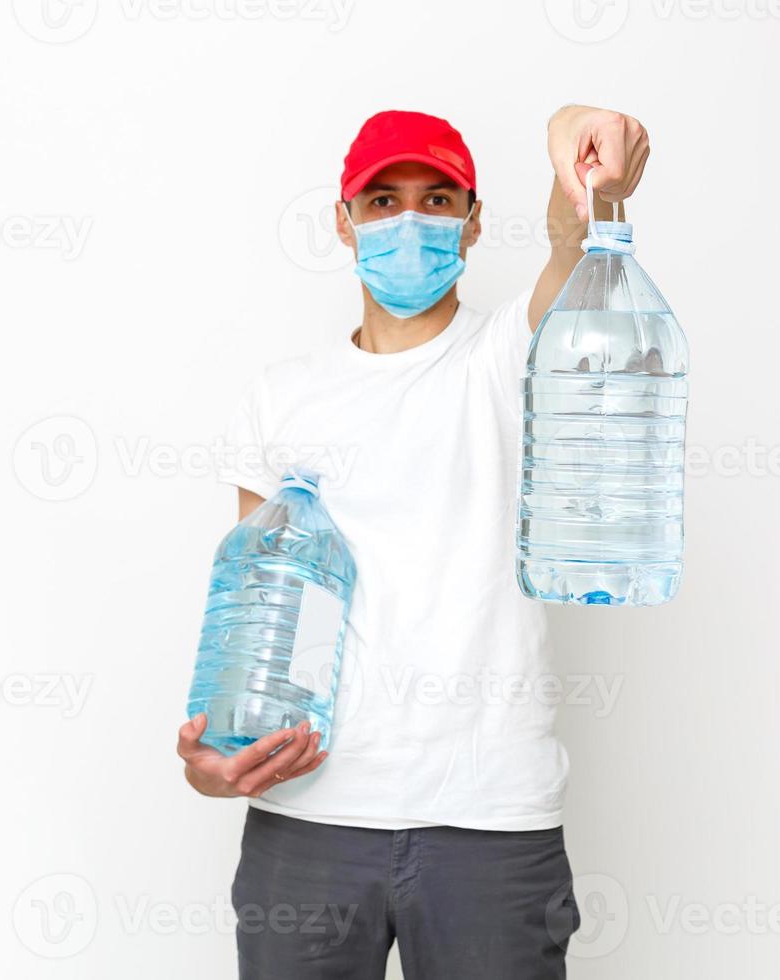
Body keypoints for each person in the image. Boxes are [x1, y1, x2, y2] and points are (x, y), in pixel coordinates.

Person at [176, 105, 651, 980]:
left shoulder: (512, 353)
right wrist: (219, 757)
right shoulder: (281, 399)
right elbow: (258, 618)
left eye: (437, 200)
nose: (410, 222)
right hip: (309, 822)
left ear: (473, 224)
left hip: (489, 822)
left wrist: (585, 163)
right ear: (343, 220)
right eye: (384, 200)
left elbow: (568, 247)